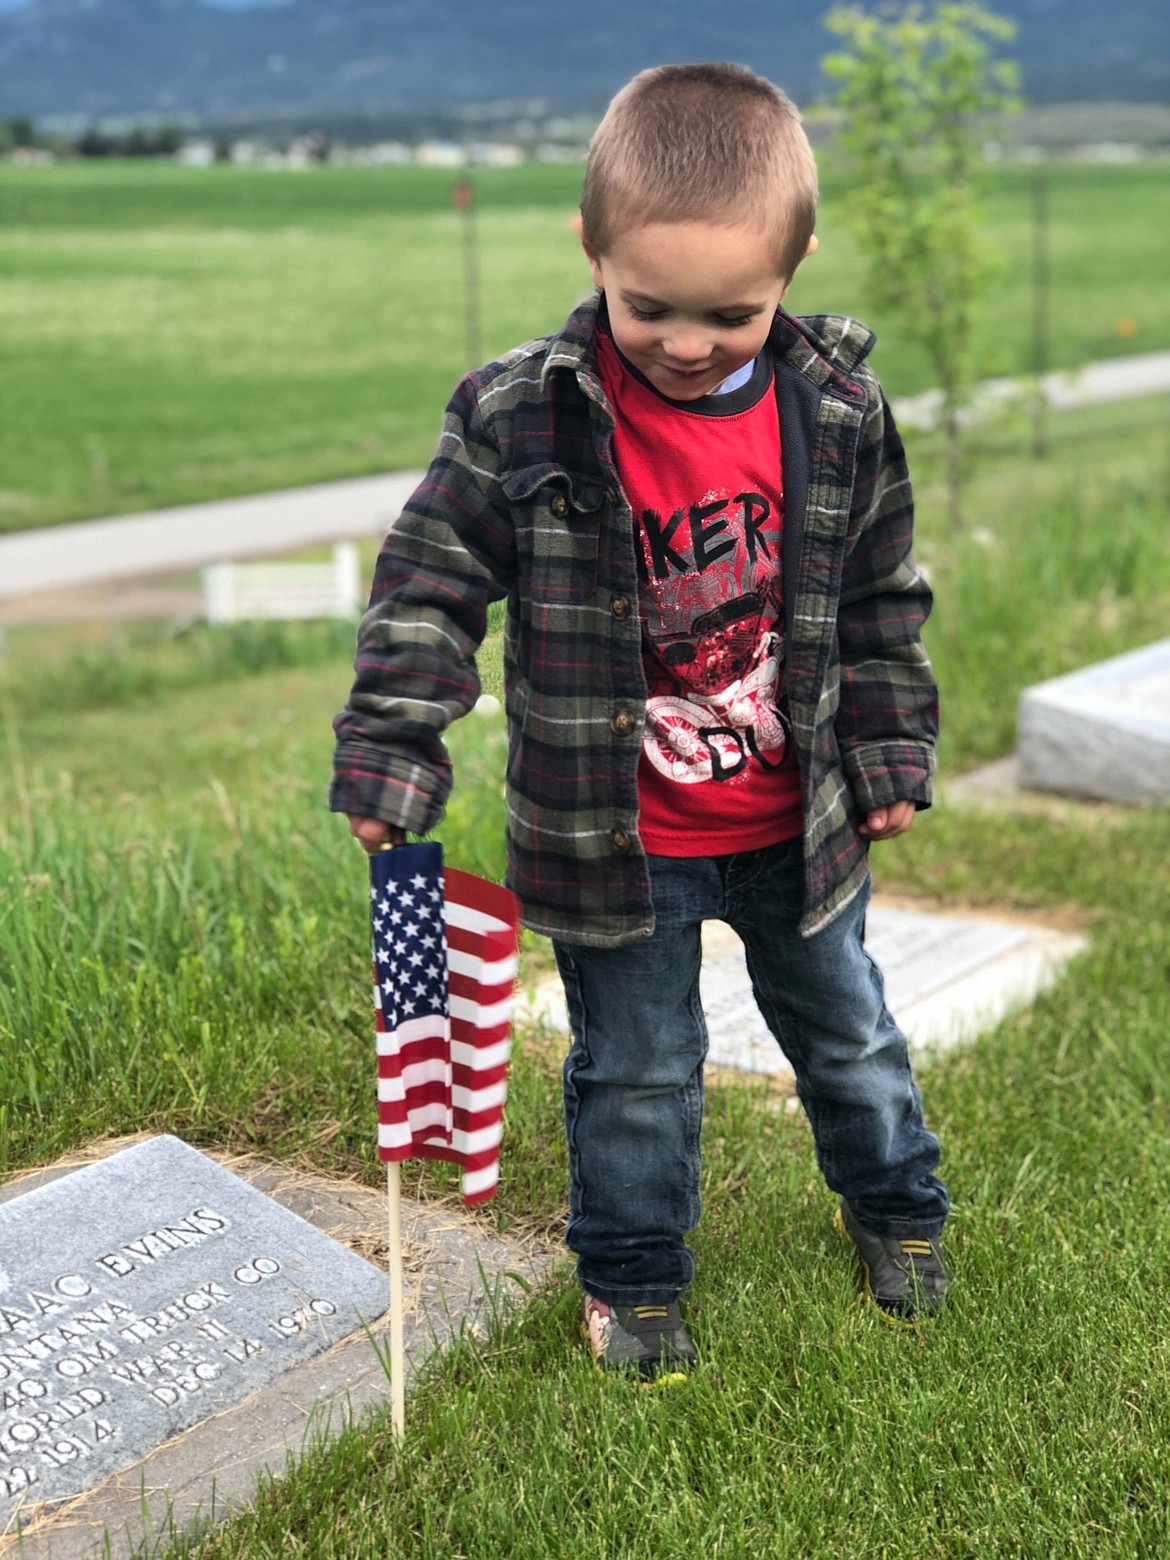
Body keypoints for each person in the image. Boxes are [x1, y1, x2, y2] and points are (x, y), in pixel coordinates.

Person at [332, 62, 950, 1381]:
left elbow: (882, 597)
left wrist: (890, 752)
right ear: (590, 247)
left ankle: (897, 1209)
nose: (684, 341)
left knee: (846, 1032)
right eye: (646, 305)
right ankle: (632, 1282)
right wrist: (395, 747)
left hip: (799, 827)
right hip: (614, 840)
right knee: (638, 1068)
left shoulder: (834, 412)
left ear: (794, 265)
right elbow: (427, 589)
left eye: (730, 312)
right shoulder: (519, 415)